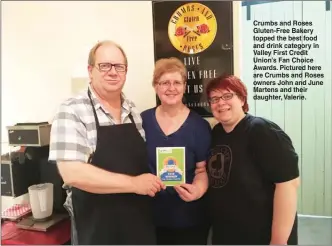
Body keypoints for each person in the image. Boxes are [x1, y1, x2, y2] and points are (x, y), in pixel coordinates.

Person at [49, 40, 165, 245]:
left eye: (119, 66)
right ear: (90, 70)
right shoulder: (72, 109)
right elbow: (72, 172)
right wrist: (134, 184)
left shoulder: (132, 110)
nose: (113, 72)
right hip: (97, 228)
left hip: (138, 224)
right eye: (105, 66)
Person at [205, 74, 300, 245]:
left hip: (261, 235)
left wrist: (278, 241)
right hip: (227, 234)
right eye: (214, 99)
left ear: (241, 99)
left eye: (227, 96)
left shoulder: (261, 130)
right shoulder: (216, 133)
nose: (221, 103)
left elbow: (288, 184)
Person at [141, 57, 211, 245]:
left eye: (176, 82)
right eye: (164, 83)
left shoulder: (200, 126)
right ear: (156, 86)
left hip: (188, 219)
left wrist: (197, 190)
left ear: (184, 86)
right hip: (148, 219)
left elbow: (201, 170)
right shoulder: (142, 122)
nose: (171, 88)